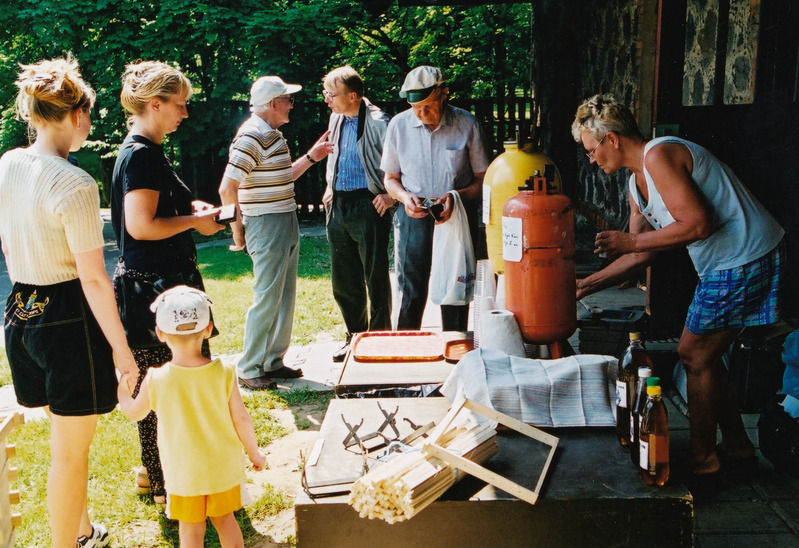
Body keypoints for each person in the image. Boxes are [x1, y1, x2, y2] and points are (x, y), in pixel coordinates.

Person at [572, 94, 785, 491]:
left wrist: (631, 243)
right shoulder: (636, 186)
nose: (591, 160)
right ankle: (737, 447)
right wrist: (584, 286)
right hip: (726, 262)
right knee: (705, 353)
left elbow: (699, 224)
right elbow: (639, 254)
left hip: (746, 255)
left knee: (693, 352)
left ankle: (705, 461)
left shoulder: (659, 156)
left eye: (591, 150)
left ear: (612, 139)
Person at [0, 57, 137, 548]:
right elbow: (95, 280)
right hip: (66, 318)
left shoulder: (9, 163)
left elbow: (9, 246)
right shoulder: (76, 184)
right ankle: (69, 544)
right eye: (90, 113)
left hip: (19, 310)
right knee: (69, 454)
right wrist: (122, 352)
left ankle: (84, 530)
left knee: (64, 440)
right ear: (76, 114)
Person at [111, 61, 225, 504]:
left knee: (166, 387)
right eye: (179, 105)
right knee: (168, 389)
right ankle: (167, 486)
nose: (185, 113)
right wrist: (194, 224)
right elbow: (141, 226)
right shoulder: (141, 153)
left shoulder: (145, 149)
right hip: (153, 290)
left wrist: (190, 208)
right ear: (154, 104)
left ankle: (158, 477)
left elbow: (158, 210)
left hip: (155, 285)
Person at [116, 286, 266, 548]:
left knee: (190, 532)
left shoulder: (156, 379)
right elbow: (241, 419)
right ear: (208, 329)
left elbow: (135, 413)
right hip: (222, 468)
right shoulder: (224, 371)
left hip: (183, 473)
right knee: (225, 521)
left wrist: (123, 390)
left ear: (160, 334)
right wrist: (254, 454)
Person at [219, 76, 333, 389]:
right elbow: (227, 188)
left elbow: (284, 177)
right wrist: (237, 231)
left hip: (283, 219)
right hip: (266, 223)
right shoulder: (253, 135)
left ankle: (272, 361)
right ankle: (250, 367)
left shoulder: (270, 135)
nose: (291, 105)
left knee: (283, 296)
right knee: (268, 296)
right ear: (273, 104)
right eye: (288, 99)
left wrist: (312, 156)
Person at [382, 66, 490, 331]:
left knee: (455, 284)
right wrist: (405, 198)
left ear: (444, 93)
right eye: (415, 108)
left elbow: (483, 178)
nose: (422, 114)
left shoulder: (467, 123)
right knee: (411, 287)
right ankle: (406, 347)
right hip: (413, 212)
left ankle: (455, 346)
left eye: (428, 106)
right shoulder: (399, 124)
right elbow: (390, 179)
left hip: (456, 214)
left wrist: (456, 197)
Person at [321, 66, 393, 361]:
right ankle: (354, 337)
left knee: (374, 275)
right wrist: (330, 187)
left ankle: (378, 339)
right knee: (344, 278)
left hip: (369, 202)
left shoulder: (380, 122)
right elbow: (336, 155)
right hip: (339, 204)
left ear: (353, 95)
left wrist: (391, 197)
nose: (327, 99)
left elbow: (401, 164)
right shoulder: (336, 116)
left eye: (332, 93)